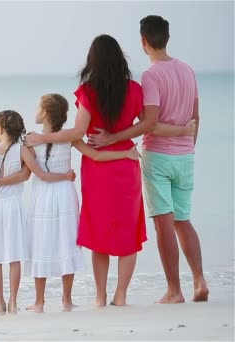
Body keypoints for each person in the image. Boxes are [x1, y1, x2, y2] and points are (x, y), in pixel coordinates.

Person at [24, 35, 152, 306]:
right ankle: (121, 296)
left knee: (100, 232)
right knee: (127, 232)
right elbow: (146, 125)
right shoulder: (135, 89)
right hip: (126, 164)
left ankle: (100, 296)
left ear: (93, 60)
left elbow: (79, 132)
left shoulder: (89, 91)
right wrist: (118, 138)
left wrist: (42, 138)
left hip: (98, 170)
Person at [88, 15, 208, 303]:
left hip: (159, 155)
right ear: (166, 37)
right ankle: (200, 280)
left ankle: (174, 290)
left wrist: (112, 139)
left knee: (163, 222)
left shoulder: (151, 76)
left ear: (143, 42)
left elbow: (150, 123)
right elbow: (196, 117)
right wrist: (189, 145)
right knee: (183, 220)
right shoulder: (188, 70)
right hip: (185, 156)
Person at [0, 95, 139, 312]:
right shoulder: (67, 138)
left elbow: (27, 173)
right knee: (66, 241)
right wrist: (126, 153)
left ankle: (39, 301)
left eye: (38, 107)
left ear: (45, 113)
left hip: (43, 195)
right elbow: (95, 155)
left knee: (40, 243)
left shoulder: (30, 140)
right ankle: (66, 300)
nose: (35, 110)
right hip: (64, 192)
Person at [0, 110, 74, 314]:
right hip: (13, 206)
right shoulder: (22, 150)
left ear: (1, 128)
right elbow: (33, 174)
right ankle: (13, 302)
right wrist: (65, 175)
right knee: (14, 257)